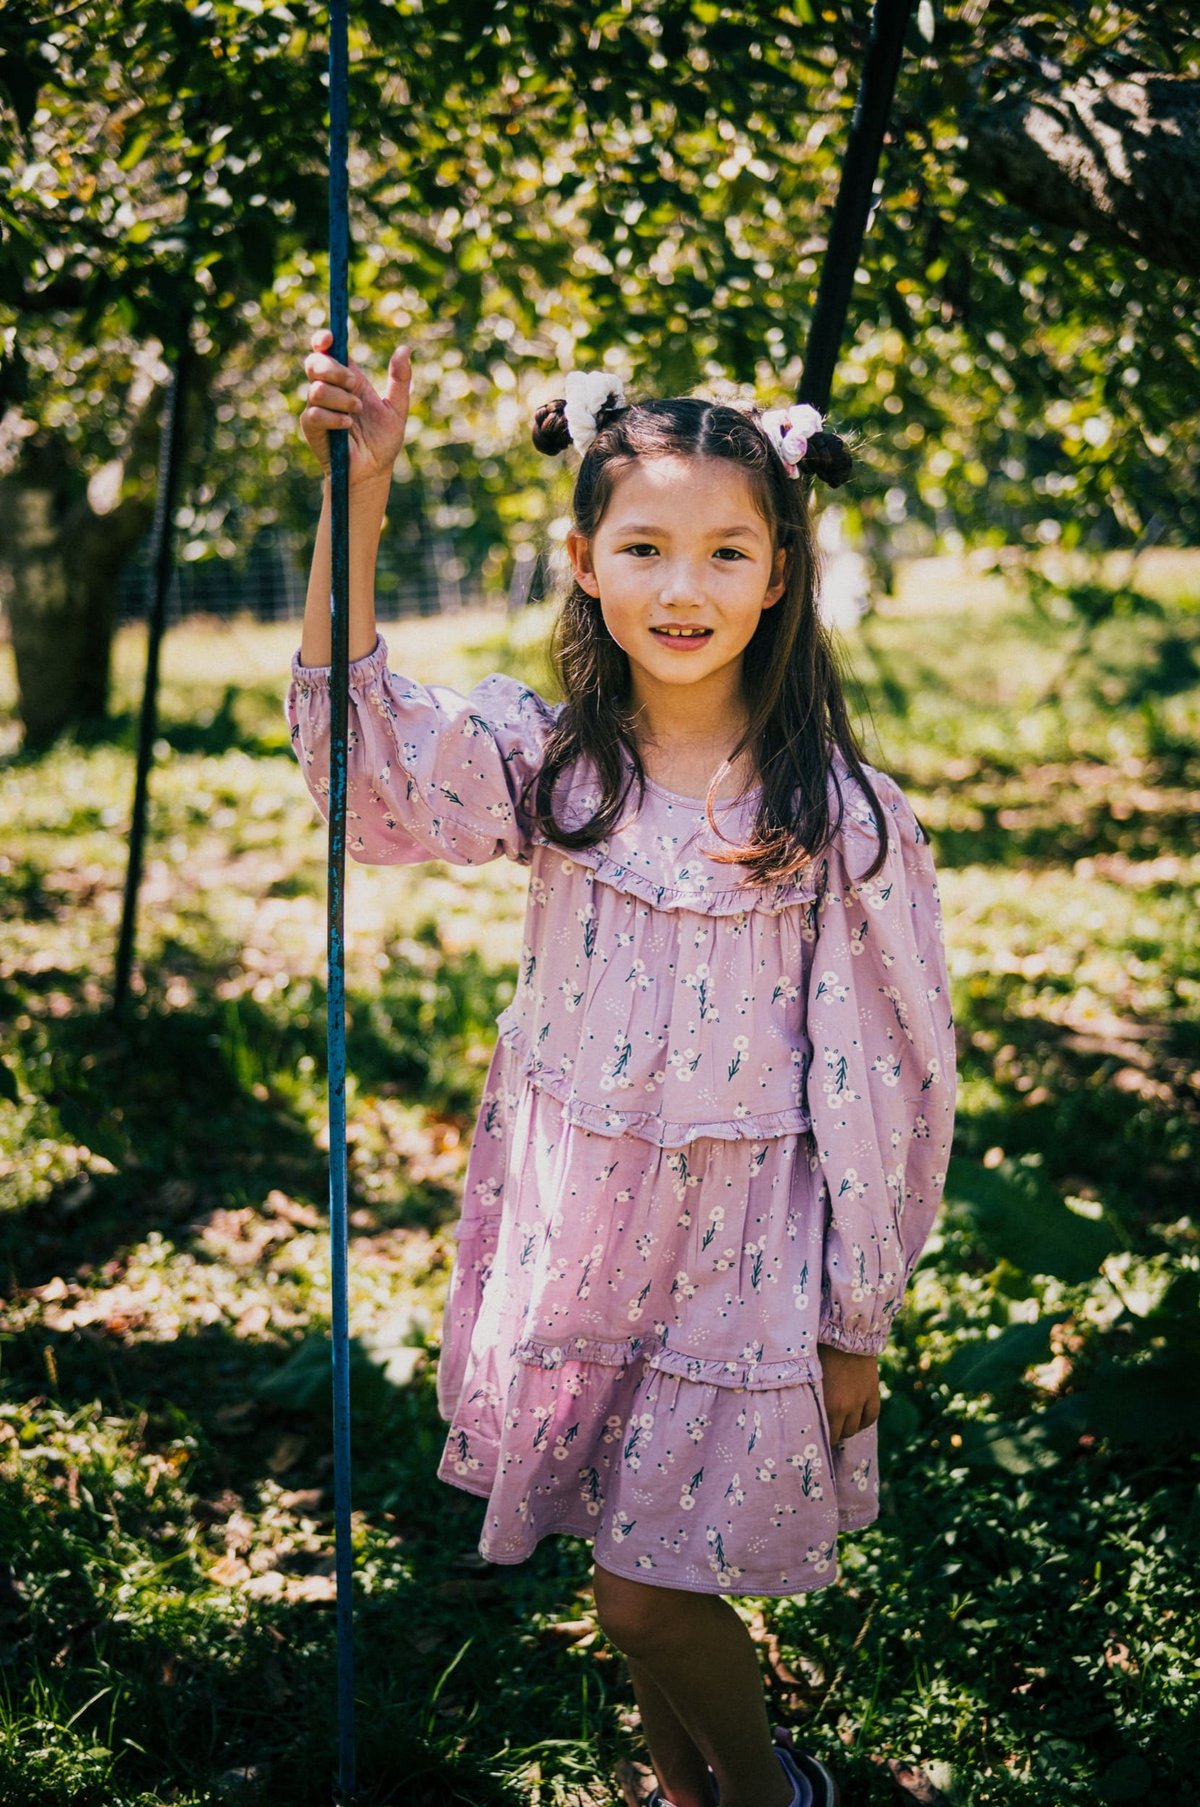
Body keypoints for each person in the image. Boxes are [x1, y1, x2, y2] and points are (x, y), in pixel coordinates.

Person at [286, 330, 958, 1807]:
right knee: (622, 1555)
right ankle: (688, 1795)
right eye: (644, 548)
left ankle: (776, 1798)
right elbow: (356, 757)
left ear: (780, 573)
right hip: (588, 1238)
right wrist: (361, 489)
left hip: (743, 1262)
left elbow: (890, 1088)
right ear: (585, 562)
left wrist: (858, 1315)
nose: (682, 587)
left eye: (727, 552)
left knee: (646, 1595)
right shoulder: (552, 768)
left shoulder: (835, 817)